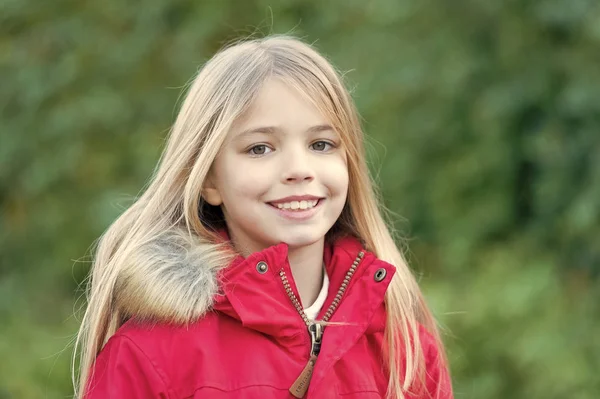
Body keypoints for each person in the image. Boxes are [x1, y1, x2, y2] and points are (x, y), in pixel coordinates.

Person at [73, 35, 453, 399]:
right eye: (260, 148)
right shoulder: (149, 354)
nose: (298, 169)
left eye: (321, 144)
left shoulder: (406, 351)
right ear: (209, 180)